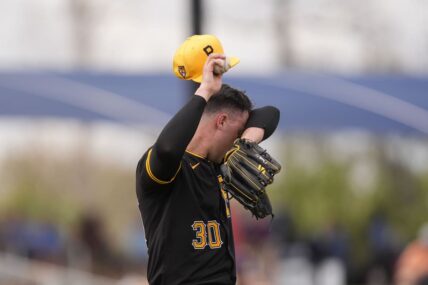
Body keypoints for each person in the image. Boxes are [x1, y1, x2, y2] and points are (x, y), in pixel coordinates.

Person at [136, 53, 280, 284]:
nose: (238, 143)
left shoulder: (218, 164)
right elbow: (167, 148)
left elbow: (271, 114)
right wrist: (204, 91)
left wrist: (248, 141)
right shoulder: (171, 167)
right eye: (237, 134)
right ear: (221, 121)